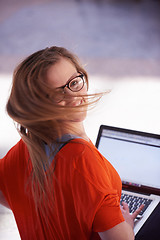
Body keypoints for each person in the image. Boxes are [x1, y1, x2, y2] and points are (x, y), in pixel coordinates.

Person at [0, 46, 143, 240]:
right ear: (37, 104)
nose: (73, 97)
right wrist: (125, 225)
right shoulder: (85, 162)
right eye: (56, 94)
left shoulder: (24, 149)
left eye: (74, 82)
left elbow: (8, 195)